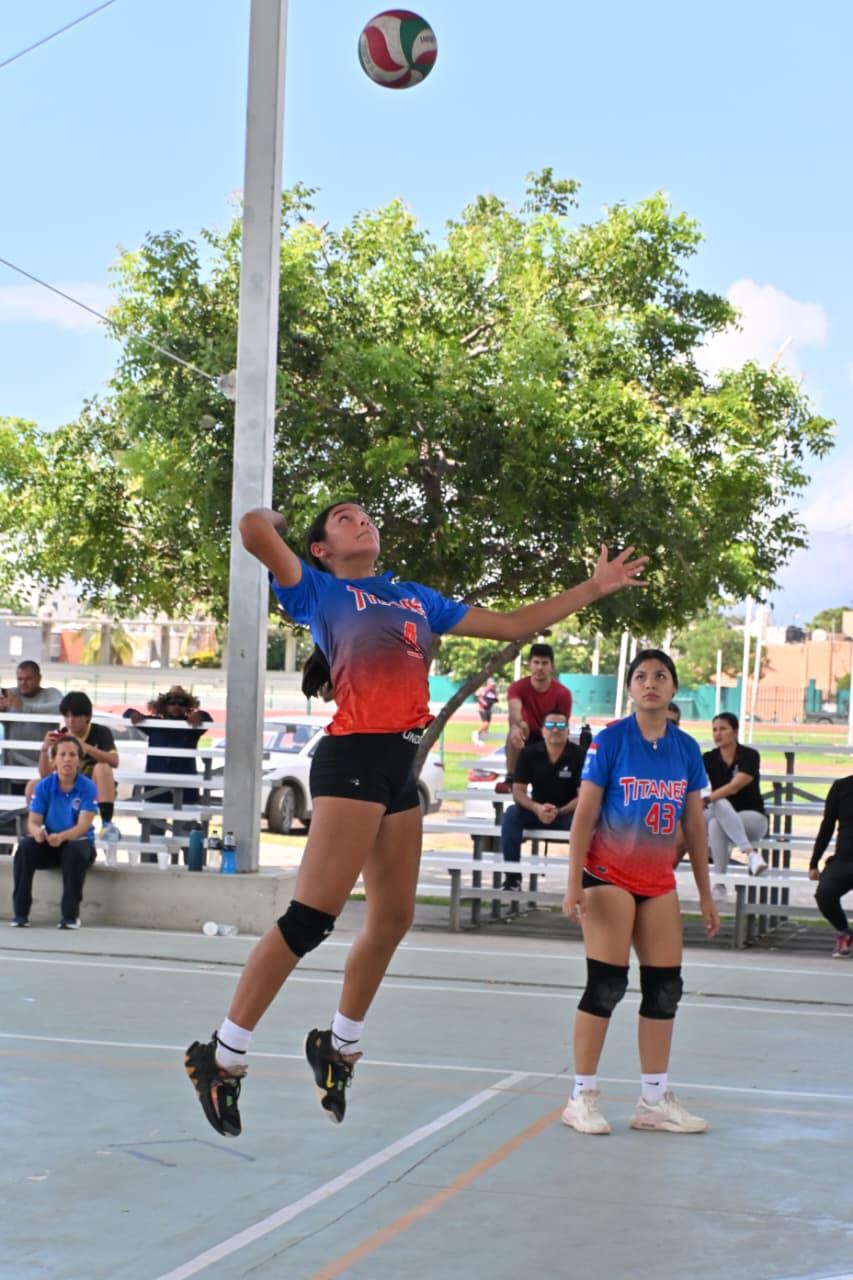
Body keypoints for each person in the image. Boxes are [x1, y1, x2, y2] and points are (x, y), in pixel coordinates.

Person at [184, 500, 647, 1137]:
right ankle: (224, 1054)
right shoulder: (316, 590)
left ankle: (338, 1046)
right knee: (311, 918)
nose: (363, 521)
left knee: (394, 917)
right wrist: (286, 525)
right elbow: (253, 529)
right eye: (345, 519)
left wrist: (594, 588)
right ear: (322, 548)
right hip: (352, 760)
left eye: (367, 515)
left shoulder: (413, 597)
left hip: (402, 764)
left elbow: (515, 623)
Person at [561, 649, 719, 1137]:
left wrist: (705, 893)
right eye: (641, 676)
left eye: (661, 676)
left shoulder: (686, 749)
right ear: (630, 688)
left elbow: (694, 826)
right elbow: (584, 816)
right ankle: (581, 1096)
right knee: (607, 985)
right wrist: (572, 882)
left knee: (666, 988)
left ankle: (653, 1100)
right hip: (608, 873)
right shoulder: (610, 741)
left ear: (674, 689)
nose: (651, 683)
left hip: (657, 881)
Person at [11, 734, 99, 929]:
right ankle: (20, 914)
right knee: (25, 846)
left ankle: (70, 916)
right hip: (50, 843)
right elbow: (33, 822)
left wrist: (62, 837)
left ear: (79, 760)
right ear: (54, 760)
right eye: (62, 754)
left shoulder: (88, 787)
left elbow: (83, 826)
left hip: (77, 843)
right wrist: (37, 833)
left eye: (72, 755)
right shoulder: (43, 786)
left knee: (74, 850)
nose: (67, 759)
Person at [500, 711, 583, 890]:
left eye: (561, 726)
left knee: (593, 819)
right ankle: (512, 878)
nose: (555, 730)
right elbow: (518, 791)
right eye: (550, 725)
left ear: (568, 731)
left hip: (568, 814)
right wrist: (536, 808)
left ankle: (584, 882)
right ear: (543, 731)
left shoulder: (579, 755)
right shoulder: (529, 753)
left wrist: (559, 811)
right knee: (511, 814)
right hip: (536, 812)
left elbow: (583, 796)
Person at [123, 686, 212, 846]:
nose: (176, 706)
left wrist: (199, 715)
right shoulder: (155, 724)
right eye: (172, 703)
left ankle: (189, 869)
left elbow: (208, 719)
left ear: (188, 707)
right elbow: (127, 713)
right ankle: (150, 868)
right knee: (153, 836)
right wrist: (134, 715)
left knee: (188, 836)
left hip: (186, 790)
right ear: (163, 705)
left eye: (181, 703)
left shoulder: (192, 727)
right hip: (157, 789)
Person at [29, 691, 120, 839]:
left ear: (87, 717)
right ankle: (36, 829)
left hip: (93, 786)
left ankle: (107, 824)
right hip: (66, 786)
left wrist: (86, 747)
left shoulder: (100, 732)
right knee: (32, 786)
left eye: (76, 716)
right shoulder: (60, 735)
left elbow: (114, 761)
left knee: (102, 767)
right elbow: (45, 776)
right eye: (66, 716)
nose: (70, 721)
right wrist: (45, 749)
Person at [702, 713, 768, 900]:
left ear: (736, 731)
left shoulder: (749, 755)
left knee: (718, 802)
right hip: (722, 822)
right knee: (715, 822)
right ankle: (745, 860)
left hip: (752, 819)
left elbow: (734, 787)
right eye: (715, 729)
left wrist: (706, 800)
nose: (718, 734)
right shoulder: (709, 758)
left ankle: (724, 879)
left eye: (723, 729)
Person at [505, 643, 572, 778]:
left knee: (557, 730)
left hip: (549, 735)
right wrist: (516, 727)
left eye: (544, 663)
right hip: (526, 735)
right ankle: (511, 776)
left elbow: (561, 725)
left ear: (552, 666)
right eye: (536, 662)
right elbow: (515, 714)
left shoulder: (563, 693)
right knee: (518, 727)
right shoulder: (517, 688)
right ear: (529, 664)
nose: (540, 667)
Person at [808, 774, 853, 957]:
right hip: (844, 859)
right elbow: (827, 825)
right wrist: (814, 862)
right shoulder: (841, 786)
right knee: (824, 894)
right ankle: (844, 932)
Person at [0, 660, 62, 779]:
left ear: (39, 678)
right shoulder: (10, 694)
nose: (23, 683)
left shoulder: (51, 693)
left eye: (28, 679)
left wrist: (24, 707)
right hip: (12, 769)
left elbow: (61, 708)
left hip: (43, 769)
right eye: (20, 679)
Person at [473, 677, 499, 744]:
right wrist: (482, 701)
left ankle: (482, 738)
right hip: (483, 709)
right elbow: (477, 695)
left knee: (487, 726)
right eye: (491, 685)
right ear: (488, 684)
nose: (492, 686)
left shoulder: (493, 691)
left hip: (489, 709)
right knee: (485, 723)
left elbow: (496, 700)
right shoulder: (483, 689)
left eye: (493, 685)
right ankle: (476, 733)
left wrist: (495, 692)